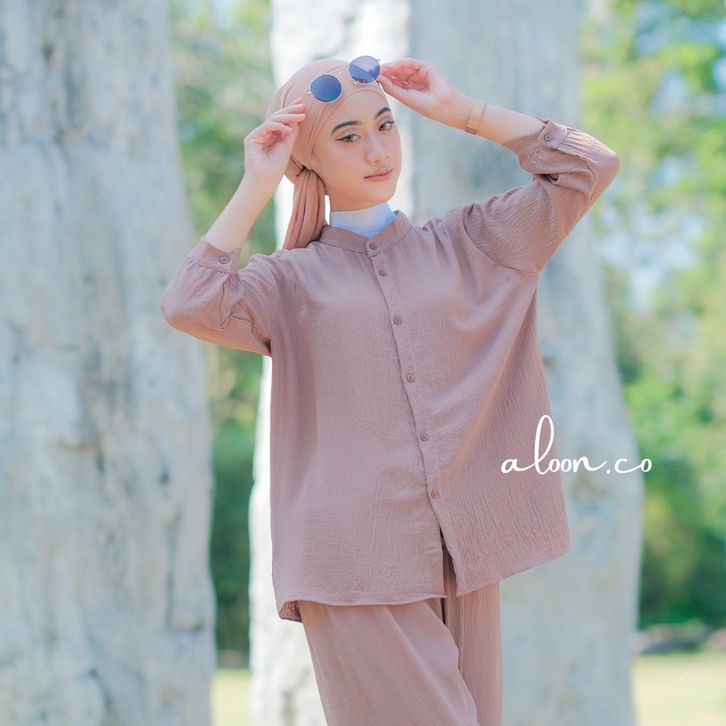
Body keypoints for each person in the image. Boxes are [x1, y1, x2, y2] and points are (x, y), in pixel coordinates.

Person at [161, 55, 620, 726]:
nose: (376, 150)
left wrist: (462, 111)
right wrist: (258, 182)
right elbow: (188, 302)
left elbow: (588, 166)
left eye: (384, 126)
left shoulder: (472, 244)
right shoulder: (286, 282)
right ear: (308, 157)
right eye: (347, 136)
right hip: (351, 564)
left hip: (464, 554)